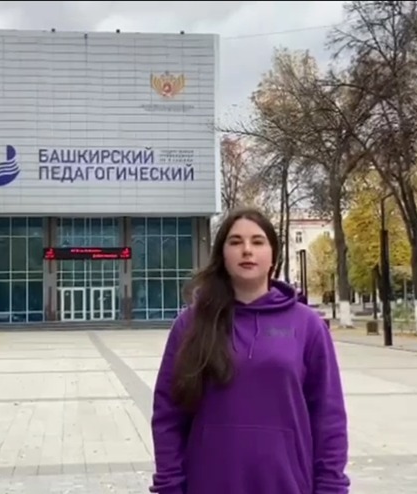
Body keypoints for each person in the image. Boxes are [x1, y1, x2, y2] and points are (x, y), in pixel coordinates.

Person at [149, 207, 350, 494]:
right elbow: (168, 414)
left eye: (257, 241)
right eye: (235, 242)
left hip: (287, 485)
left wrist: (331, 487)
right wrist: (170, 485)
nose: (247, 250)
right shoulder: (191, 324)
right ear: (222, 255)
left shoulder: (307, 326)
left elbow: (328, 417)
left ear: (273, 255)